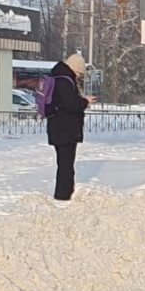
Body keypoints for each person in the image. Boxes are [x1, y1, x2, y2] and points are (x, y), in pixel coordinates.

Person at [47, 53, 96, 201]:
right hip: (65, 129)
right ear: (74, 69)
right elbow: (72, 104)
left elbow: (63, 102)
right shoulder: (65, 81)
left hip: (57, 127)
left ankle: (64, 192)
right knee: (66, 165)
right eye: (79, 73)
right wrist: (84, 102)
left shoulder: (57, 77)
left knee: (63, 163)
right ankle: (63, 195)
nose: (79, 76)